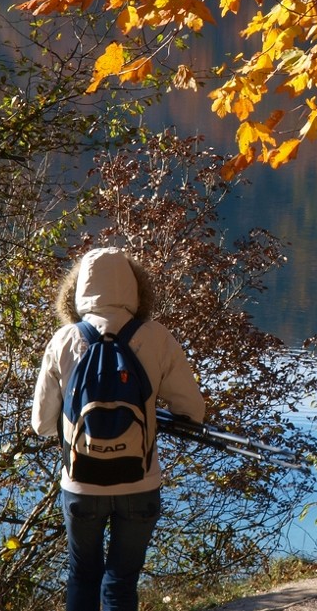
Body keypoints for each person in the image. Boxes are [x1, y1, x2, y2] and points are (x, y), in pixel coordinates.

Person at [32, 247, 205, 611]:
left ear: (76, 289)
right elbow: (192, 411)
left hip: (81, 483)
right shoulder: (157, 337)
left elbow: (42, 425)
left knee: (82, 576)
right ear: (136, 287)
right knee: (122, 581)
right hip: (140, 482)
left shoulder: (64, 340)